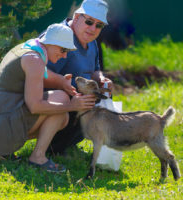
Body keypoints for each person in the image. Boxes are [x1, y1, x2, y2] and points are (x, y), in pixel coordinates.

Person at [0, 24, 97, 173]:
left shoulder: (31, 48)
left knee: (62, 97)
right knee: (61, 113)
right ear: (50, 43)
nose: (64, 55)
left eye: (67, 51)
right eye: (63, 50)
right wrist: (72, 106)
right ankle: (37, 157)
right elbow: (35, 106)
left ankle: (4, 150)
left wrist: (62, 82)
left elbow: (42, 76)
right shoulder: (34, 60)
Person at [39, 0, 114, 155]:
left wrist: (102, 79)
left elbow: (94, 70)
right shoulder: (60, 36)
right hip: (45, 100)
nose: (93, 28)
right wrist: (63, 83)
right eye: (89, 21)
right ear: (77, 16)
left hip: (71, 97)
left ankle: (64, 144)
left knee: (99, 100)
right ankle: (53, 147)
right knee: (84, 103)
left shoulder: (91, 42)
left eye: (99, 25)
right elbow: (38, 72)